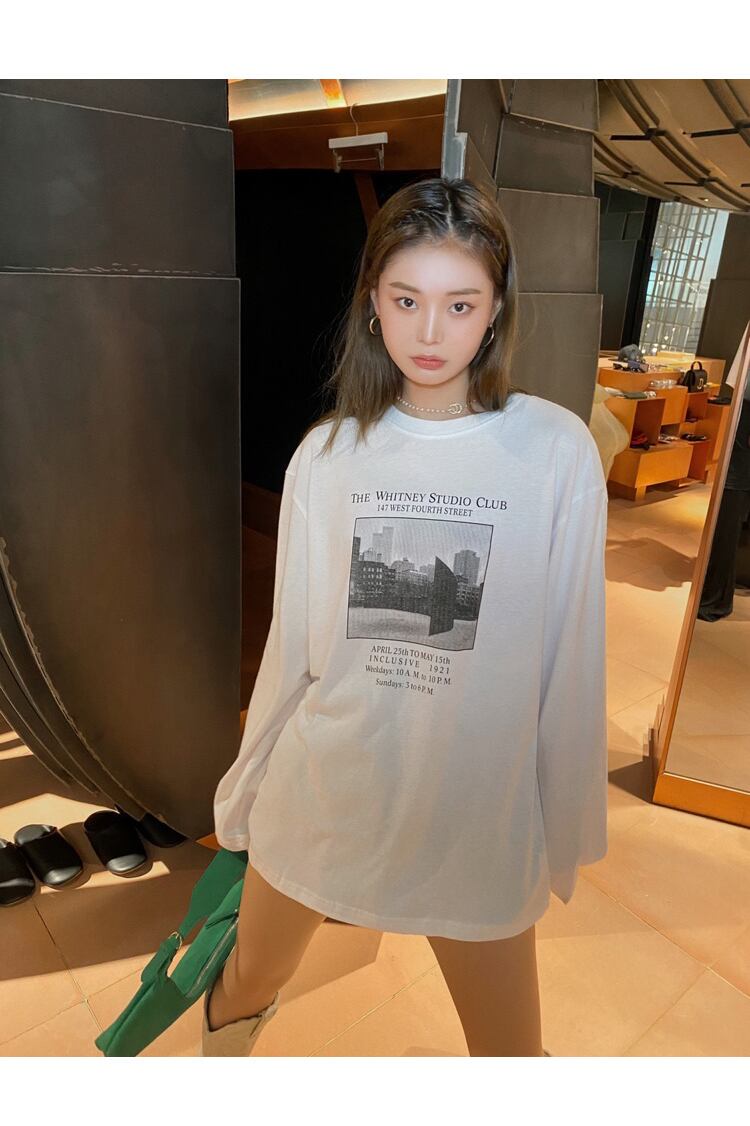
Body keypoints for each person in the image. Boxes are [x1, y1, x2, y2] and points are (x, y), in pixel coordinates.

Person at [204, 177, 609, 1057]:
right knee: (245, 984)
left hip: (474, 813)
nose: (430, 333)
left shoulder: (554, 452)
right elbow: (295, 649)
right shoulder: (329, 453)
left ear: (495, 311)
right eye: (406, 300)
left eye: (460, 304)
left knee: (511, 1057)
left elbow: (569, 660)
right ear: (372, 304)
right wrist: (245, 789)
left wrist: (563, 823)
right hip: (329, 793)